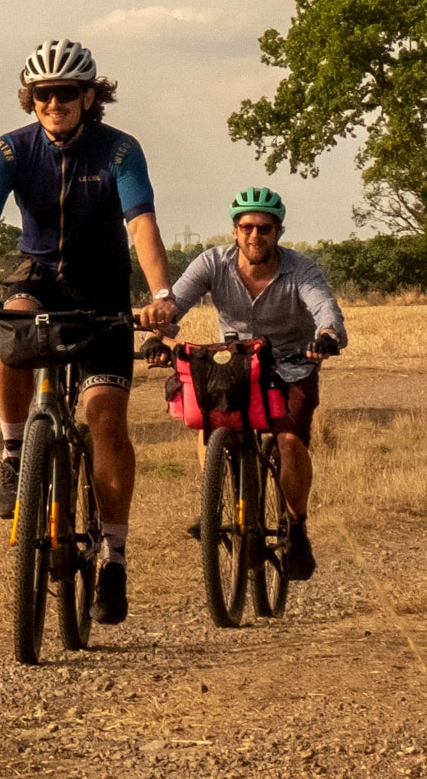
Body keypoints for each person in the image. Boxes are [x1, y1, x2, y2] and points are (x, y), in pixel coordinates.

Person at [0, 39, 173, 624]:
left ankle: (113, 558)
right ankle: (14, 452)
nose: (55, 103)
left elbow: (141, 225)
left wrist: (161, 296)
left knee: (106, 417)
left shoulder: (119, 151)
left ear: (90, 97)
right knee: (9, 328)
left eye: (67, 93)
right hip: (37, 274)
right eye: (44, 94)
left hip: (102, 287)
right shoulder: (10, 150)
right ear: (30, 99)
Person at [143, 187, 345, 580]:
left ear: (279, 232)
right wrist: (155, 337)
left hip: (291, 364)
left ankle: (297, 526)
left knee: (288, 441)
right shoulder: (211, 263)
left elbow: (325, 308)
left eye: (264, 228)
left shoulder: (300, 269)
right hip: (236, 362)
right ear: (234, 230)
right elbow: (174, 305)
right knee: (206, 422)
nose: (255, 236)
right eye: (247, 227)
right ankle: (213, 502)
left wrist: (326, 336)